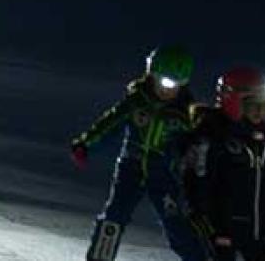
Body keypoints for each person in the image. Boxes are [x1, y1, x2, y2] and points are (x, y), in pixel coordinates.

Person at [70, 44, 207, 261]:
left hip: (162, 174)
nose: (166, 89)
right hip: (130, 168)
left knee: (175, 222)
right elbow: (110, 123)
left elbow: (194, 145)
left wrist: (195, 163)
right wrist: (86, 144)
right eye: (161, 81)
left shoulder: (185, 114)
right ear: (151, 75)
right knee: (114, 217)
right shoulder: (137, 101)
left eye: (174, 85)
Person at [185, 68, 265, 261]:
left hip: (254, 233)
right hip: (222, 233)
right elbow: (196, 182)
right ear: (234, 102)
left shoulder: (258, 140)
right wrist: (209, 227)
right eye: (254, 106)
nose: (260, 113)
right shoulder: (212, 135)